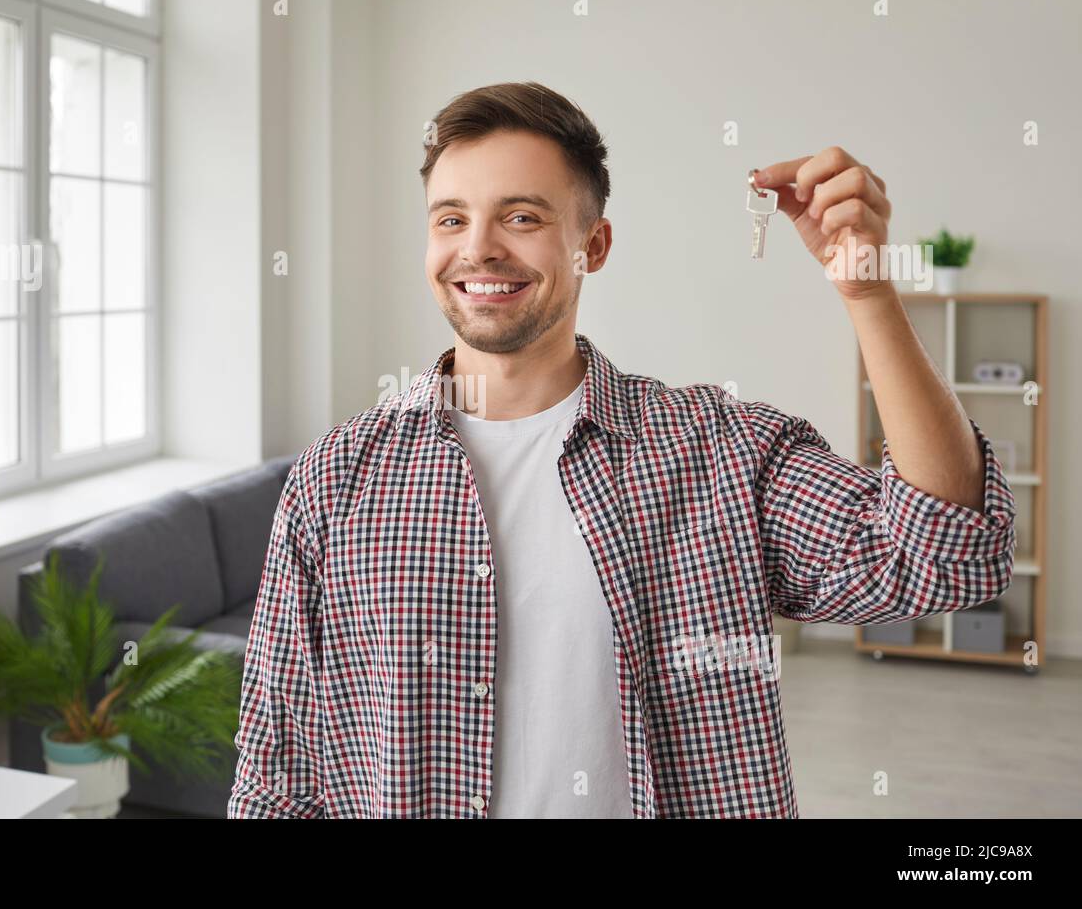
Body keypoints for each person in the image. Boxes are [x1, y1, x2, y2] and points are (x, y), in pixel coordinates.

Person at [227, 82, 1016, 818]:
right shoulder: (338, 475)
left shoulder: (718, 451)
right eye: (451, 218)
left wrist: (869, 293)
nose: (480, 249)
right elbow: (277, 766)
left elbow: (947, 551)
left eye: (523, 217)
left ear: (592, 245)